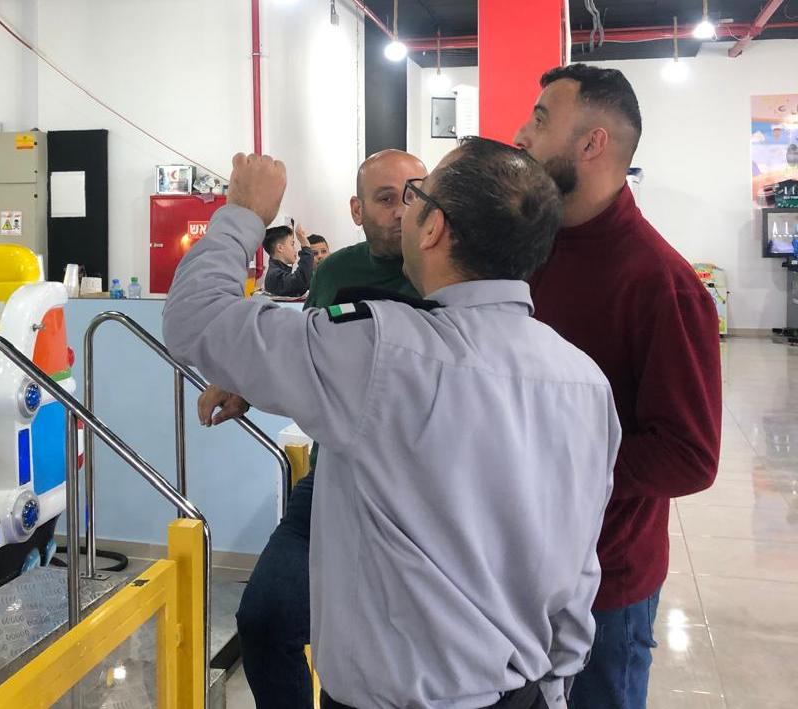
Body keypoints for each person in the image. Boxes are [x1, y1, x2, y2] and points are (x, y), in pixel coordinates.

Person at [164, 140, 619, 708]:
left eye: (416, 195)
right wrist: (556, 687)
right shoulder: (585, 382)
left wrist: (243, 212)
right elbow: (579, 564)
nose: (403, 210)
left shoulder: (381, 348)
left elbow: (196, 319)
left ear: (434, 229)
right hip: (522, 692)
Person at [514, 64, 722, 709]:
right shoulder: (529, 249)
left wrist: (556, 465)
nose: (521, 134)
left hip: (604, 586)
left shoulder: (661, 283)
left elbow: (688, 455)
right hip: (513, 568)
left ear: (593, 143)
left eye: (540, 119)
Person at [197, 148, 425, 708]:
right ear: (356, 210)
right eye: (386, 198)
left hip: (419, 497)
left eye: (415, 194)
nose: (403, 210)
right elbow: (311, 359)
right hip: (334, 484)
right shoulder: (337, 273)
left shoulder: (449, 271)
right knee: (264, 620)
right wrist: (248, 384)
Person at [264, 223, 314, 297]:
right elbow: (301, 283)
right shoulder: (274, 276)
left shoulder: (277, 271)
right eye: (292, 244)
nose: (295, 250)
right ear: (280, 248)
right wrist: (305, 246)